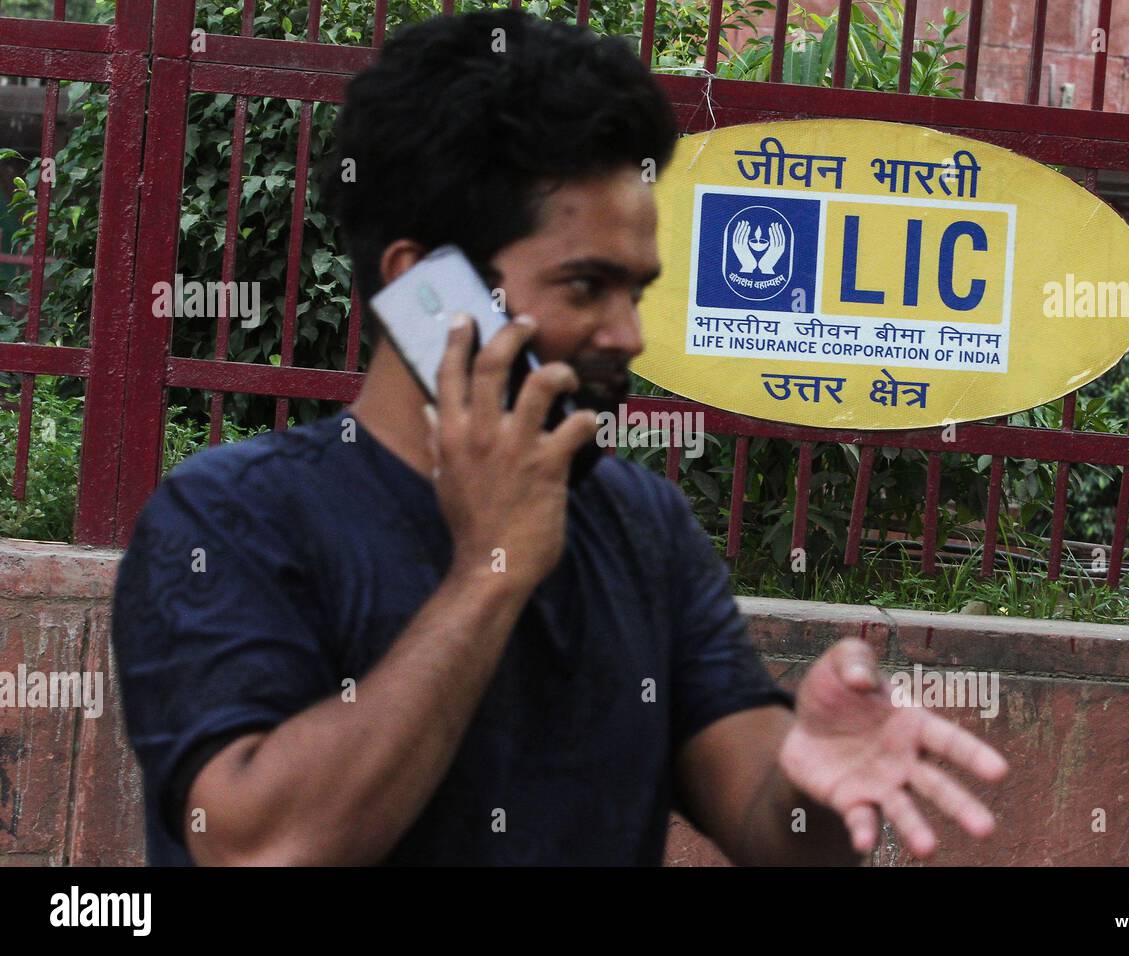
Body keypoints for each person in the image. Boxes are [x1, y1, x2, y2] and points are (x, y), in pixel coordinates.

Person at [110, 8, 1008, 866]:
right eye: (586, 286)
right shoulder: (230, 524)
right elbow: (259, 846)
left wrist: (816, 785)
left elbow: (772, 828)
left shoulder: (642, 528)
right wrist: (488, 575)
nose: (629, 335)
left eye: (637, 291)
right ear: (428, 289)